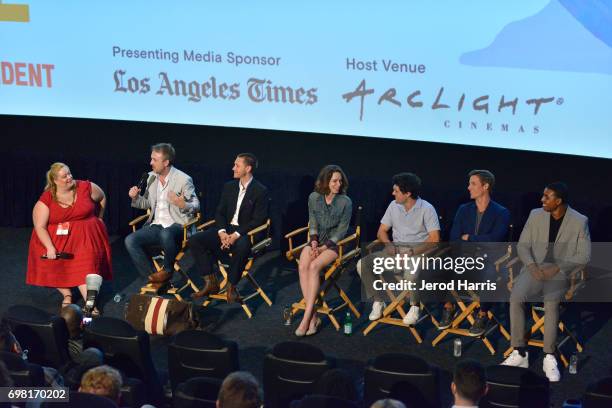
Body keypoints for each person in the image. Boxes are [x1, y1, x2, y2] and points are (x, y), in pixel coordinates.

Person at [502, 182, 591, 382]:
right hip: (534, 268)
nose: (542, 200)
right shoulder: (535, 215)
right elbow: (523, 246)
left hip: (560, 272)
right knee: (516, 297)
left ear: (558, 201)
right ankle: (520, 352)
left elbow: (584, 255)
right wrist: (532, 266)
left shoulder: (579, 220)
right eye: (543, 196)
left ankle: (549, 356)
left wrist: (558, 267)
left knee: (551, 304)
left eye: (547, 197)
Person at [27, 162, 111, 313]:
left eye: (69, 173)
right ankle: (67, 294)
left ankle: (89, 303)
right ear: (55, 181)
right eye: (64, 176)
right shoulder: (47, 198)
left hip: (85, 236)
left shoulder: (85, 187)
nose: (69, 177)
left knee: (86, 266)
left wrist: (100, 218)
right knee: (54, 265)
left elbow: (102, 196)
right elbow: (39, 226)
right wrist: (50, 247)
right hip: (56, 239)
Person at [358, 172, 440, 325]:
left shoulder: (427, 209)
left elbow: (435, 239)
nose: (392, 193)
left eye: (396, 191)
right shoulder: (393, 205)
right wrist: (389, 245)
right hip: (395, 252)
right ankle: (378, 300)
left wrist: (411, 253)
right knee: (362, 264)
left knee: (411, 273)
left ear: (408, 193)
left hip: (417, 253)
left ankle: (415, 306)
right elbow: (381, 231)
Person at [190, 153, 269, 303]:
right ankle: (210, 282)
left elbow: (259, 220)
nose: (233, 168)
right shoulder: (229, 186)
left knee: (242, 245)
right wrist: (222, 233)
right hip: (226, 230)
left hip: (246, 232)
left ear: (248, 168)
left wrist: (236, 235)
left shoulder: (260, 190)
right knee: (195, 240)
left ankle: (231, 286)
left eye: (237, 165)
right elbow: (219, 212)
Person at [125, 143, 200, 287]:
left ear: (166, 162)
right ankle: (153, 279)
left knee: (166, 233)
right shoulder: (151, 177)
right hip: (156, 225)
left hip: (179, 225)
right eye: (151, 159)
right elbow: (147, 204)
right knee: (130, 240)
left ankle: (167, 271)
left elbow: (196, 206)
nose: (150, 163)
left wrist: (182, 204)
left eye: (154, 160)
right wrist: (135, 198)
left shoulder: (183, 179)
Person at [446, 170, 510, 334]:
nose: (468, 187)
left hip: (490, 260)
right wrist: (473, 241)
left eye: (473, 184)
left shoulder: (501, 212)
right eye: (469, 184)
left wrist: (470, 238)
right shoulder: (463, 209)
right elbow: (455, 237)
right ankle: (449, 307)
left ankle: (482, 314)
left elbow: (495, 239)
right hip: (466, 257)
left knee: (489, 273)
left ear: (485, 186)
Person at [294, 165, 352, 336]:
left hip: (335, 244)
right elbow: (312, 222)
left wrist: (323, 248)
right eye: (334, 181)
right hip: (316, 241)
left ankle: (306, 318)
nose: (338, 184)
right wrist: (313, 243)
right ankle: (314, 317)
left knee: (314, 267)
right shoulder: (314, 197)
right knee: (303, 266)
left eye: (340, 181)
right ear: (326, 181)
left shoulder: (345, 202)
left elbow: (342, 231)